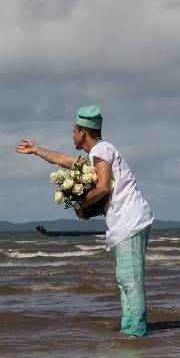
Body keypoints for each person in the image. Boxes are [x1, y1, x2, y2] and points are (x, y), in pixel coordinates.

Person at [16, 105, 154, 336]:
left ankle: (137, 333)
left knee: (131, 282)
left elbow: (101, 187)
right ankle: (130, 332)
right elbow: (63, 160)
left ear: (82, 132)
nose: (72, 136)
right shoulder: (97, 153)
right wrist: (37, 150)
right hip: (127, 222)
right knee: (125, 280)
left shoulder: (102, 150)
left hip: (130, 220)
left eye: (73, 131)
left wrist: (81, 205)